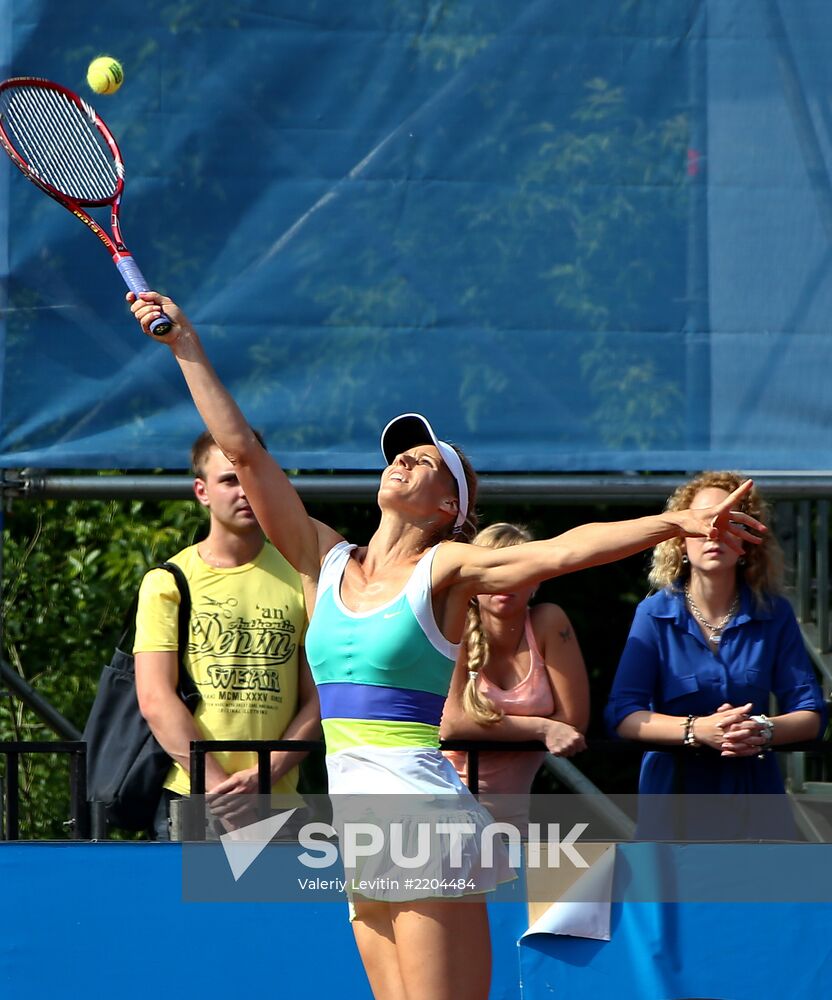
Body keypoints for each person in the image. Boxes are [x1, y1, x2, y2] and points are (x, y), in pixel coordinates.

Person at [129, 289, 764, 1000]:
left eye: (424, 460)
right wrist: (186, 346)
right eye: (399, 453)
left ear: (447, 508)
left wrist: (672, 524)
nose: (402, 460)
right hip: (361, 830)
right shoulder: (322, 557)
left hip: (423, 820)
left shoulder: (448, 568)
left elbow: (561, 553)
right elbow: (243, 452)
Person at [605, 471, 825, 839]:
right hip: (673, 801)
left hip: (755, 800)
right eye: (704, 521)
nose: (713, 534)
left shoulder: (775, 613)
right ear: (680, 539)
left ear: (748, 539)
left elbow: (811, 713)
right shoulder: (653, 613)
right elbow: (623, 714)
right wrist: (697, 730)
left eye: (729, 523)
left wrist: (761, 729)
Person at [134, 430, 320, 839]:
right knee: (192, 907)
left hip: (280, 801)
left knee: (277, 906)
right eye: (228, 480)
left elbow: (321, 698)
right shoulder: (168, 580)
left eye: (249, 477)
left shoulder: (304, 577)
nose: (243, 491)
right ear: (201, 491)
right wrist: (218, 789)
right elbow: (154, 698)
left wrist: (266, 776)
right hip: (191, 799)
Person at [441, 522, 589, 828]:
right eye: (495, 568)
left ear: (536, 581)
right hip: (442, 809)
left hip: (512, 820)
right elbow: (453, 725)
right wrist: (541, 728)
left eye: (518, 568)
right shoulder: (455, 624)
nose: (506, 580)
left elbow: (573, 723)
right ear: (472, 582)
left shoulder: (548, 621)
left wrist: (486, 728)